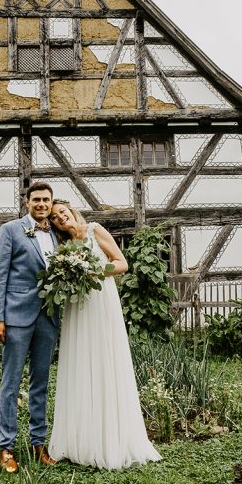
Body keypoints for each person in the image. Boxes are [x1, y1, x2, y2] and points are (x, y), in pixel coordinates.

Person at [47, 200, 161, 469]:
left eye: (62, 212)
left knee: (105, 360)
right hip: (77, 307)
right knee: (79, 363)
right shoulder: (63, 247)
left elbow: (122, 264)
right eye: (54, 217)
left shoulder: (95, 230)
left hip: (102, 300)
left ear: (71, 211)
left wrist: (93, 270)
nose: (60, 217)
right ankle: (78, 439)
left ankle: (111, 438)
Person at [0, 182, 60, 473]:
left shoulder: (56, 234)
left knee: (40, 382)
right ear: (27, 202)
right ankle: (6, 447)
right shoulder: (11, 230)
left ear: (51, 203)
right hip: (16, 316)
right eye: (36, 199)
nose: (41, 204)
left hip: (48, 316)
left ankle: (37, 443)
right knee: (11, 383)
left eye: (46, 200)